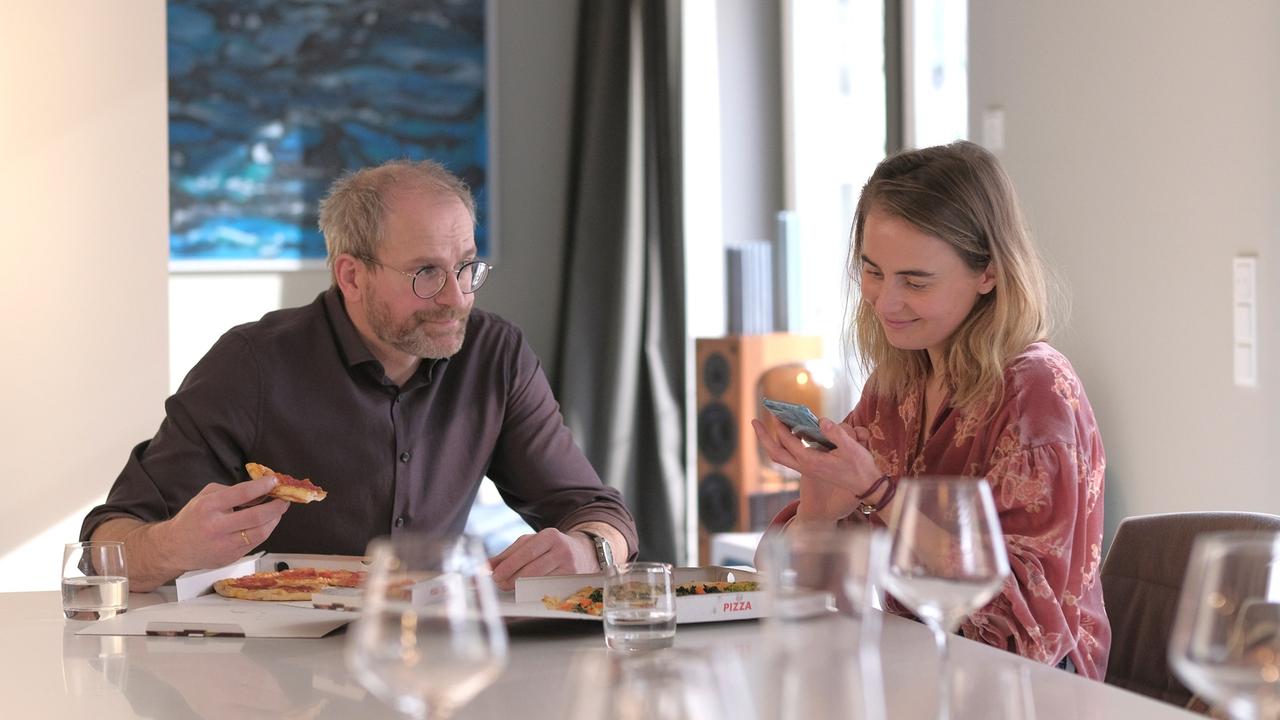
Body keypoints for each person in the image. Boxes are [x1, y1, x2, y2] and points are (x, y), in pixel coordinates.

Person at [81, 159, 637, 592]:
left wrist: (591, 550)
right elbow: (107, 543)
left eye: (467, 266)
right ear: (351, 275)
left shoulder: (496, 354)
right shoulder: (250, 364)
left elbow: (595, 510)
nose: (456, 298)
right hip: (272, 669)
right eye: (426, 273)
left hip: (431, 651)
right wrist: (173, 548)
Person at [754, 141, 1109, 679]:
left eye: (915, 282)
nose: (884, 301)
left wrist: (878, 494)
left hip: (1035, 697)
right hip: (922, 677)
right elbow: (777, 581)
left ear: (988, 273)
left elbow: (1023, 638)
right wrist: (817, 515)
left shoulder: (1037, 393)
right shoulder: (900, 380)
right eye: (872, 272)